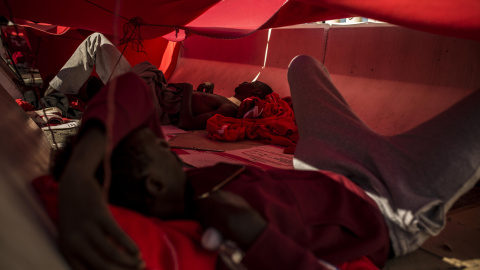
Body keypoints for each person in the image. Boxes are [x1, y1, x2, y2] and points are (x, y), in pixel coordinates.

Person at [51, 55, 480, 270]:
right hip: (388, 200)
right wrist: (255, 236)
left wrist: (81, 169)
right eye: (163, 151)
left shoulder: (180, 185)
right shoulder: (220, 240)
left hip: (324, 164)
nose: (173, 151)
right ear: (152, 186)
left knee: (301, 64)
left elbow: (128, 87)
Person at [44, 32, 273, 130]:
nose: (244, 81)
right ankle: (77, 94)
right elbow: (194, 104)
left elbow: (185, 123)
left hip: (148, 102)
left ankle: (53, 96)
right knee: (96, 79)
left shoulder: (229, 109)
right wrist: (199, 92)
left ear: (255, 91)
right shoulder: (223, 99)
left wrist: (186, 91)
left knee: (95, 41)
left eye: (249, 82)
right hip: (153, 95)